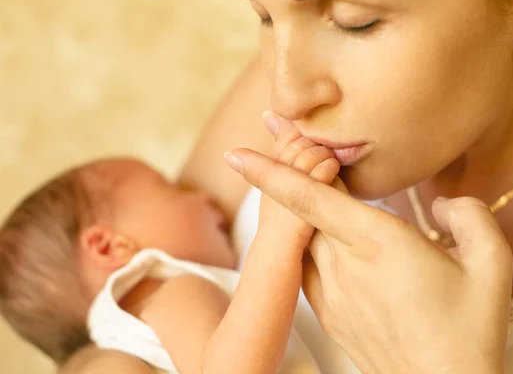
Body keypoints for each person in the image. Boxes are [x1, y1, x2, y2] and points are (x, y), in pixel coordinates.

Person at [64, 0, 513, 371]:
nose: (286, 95)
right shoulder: (282, 86)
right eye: (263, 15)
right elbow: (100, 323)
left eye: (354, 21)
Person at [0, 134, 343, 374]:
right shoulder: (166, 292)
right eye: (171, 187)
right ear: (110, 247)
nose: (201, 196)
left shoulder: (133, 333)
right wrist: (278, 233)